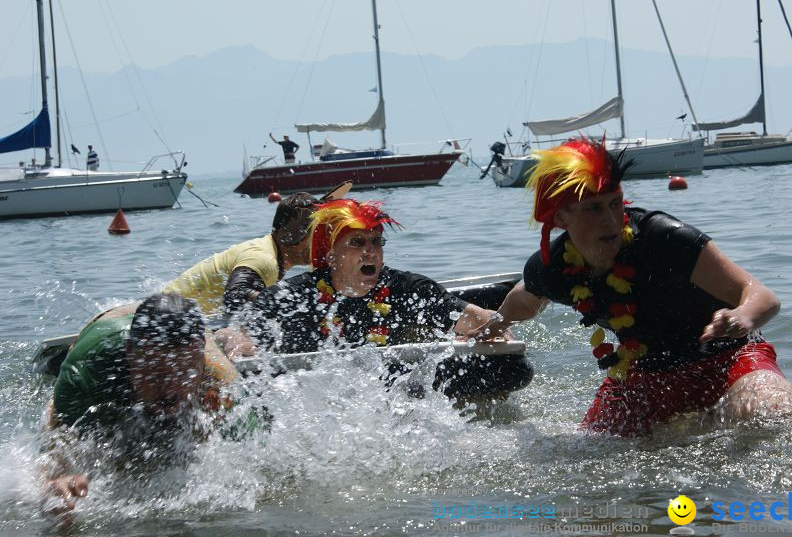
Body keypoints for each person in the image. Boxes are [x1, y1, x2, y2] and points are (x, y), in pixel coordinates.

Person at [470, 138, 792, 436]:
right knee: (590, 448)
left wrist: (743, 316)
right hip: (644, 376)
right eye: (594, 208)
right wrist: (496, 324)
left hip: (728, 359)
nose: (610, 220)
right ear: (561, 218)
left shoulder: (664, 238)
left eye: (615, 203)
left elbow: (762, 296)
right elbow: (526, 299)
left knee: (768, 411)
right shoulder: (554, 266)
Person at [41, 293, 239, 519]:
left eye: (184, 372)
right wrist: (56, 480)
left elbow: (254, 442)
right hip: (107, 329)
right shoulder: (85, 371)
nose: (170, 388)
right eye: (156, 373)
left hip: (194, 337)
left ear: (200, 360)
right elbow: (56, 444)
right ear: (130, 353)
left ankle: (227, 336)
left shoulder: (219, 380)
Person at [226, 198, 500, 357]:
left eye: (377, 242)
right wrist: (242, 343)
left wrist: (492, 327)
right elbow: (234, 330)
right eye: (357, 243)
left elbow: (474, 318)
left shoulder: (409, 288)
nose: (371, 252)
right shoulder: (296, 294)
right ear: (331, 256)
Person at [163, 182, 352, 318]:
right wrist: (282, 301)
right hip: (165, 317)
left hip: (167, 311)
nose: (322, 242)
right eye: (315, 232)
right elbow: (235, 297)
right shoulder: (264, 260)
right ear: (292, 233)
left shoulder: (270, 251)